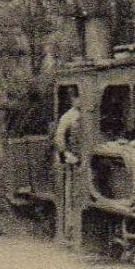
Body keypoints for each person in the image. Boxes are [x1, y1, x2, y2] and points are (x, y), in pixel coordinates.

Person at [52, 104, 83, 248]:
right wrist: (66, 154)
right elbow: (59, 138)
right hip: (71, 162)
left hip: (82, 160)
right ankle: (68, 232)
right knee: (70, 196)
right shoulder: (68, 116)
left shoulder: (87, 116)